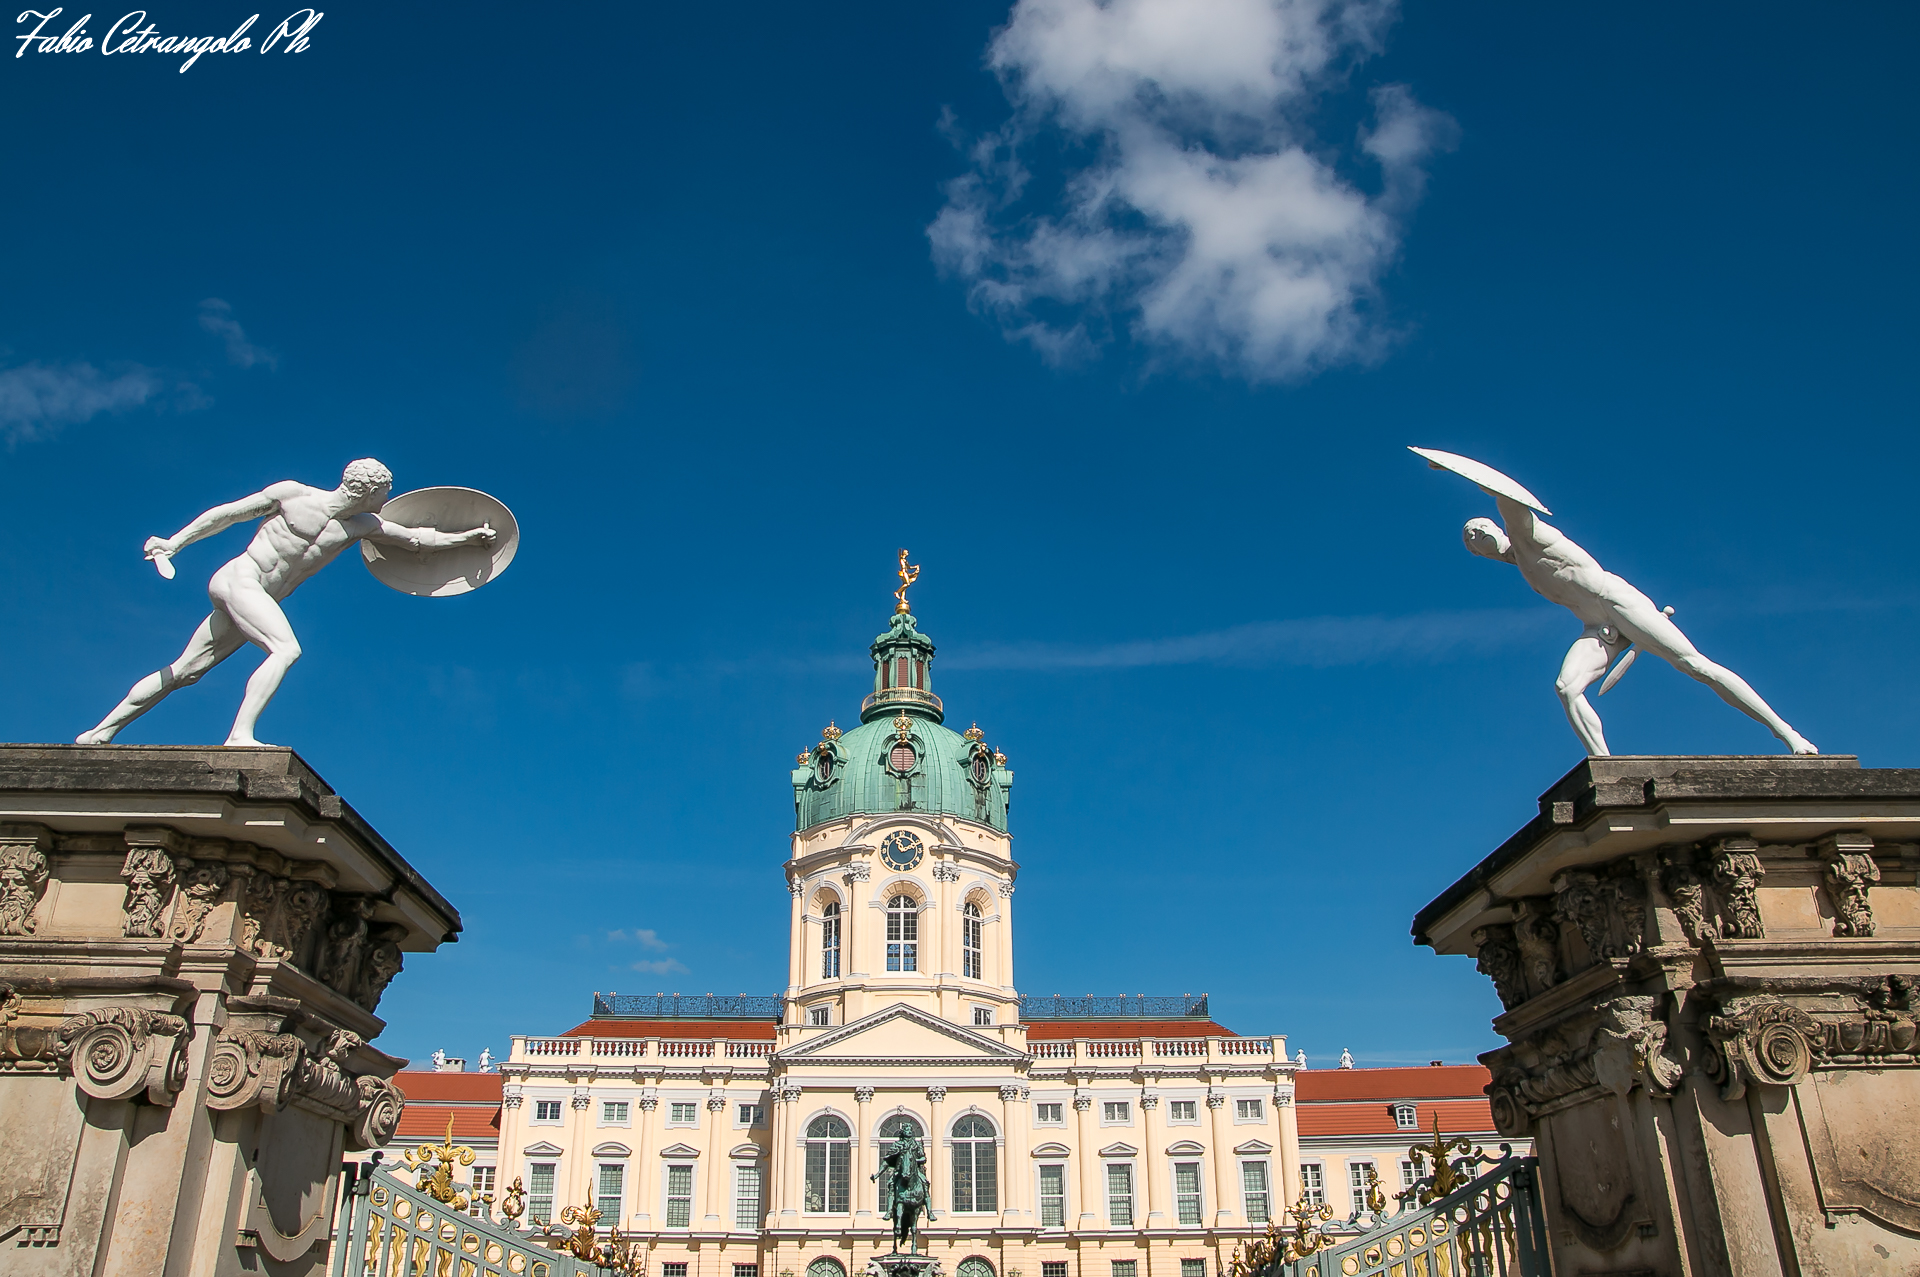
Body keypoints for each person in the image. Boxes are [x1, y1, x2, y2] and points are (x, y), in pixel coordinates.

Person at [77, 459, 495, 748]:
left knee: (186, 671)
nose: (388, 497)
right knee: (286, 649)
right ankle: (240, 735)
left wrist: (469, 538)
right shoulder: (294, 494)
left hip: (256, 598)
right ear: (368, 489)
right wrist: (176, 542)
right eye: (385, 490)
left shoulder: (362, 525)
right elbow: (226, 515)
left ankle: (99, 732)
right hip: (239, 579)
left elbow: (418, 539)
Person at [1462, 488, 1814, 757]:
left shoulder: (1529, 535)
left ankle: (1787, 733)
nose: (1476, 535)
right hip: (1596, 627)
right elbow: (1514, 552)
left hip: (1616, 601)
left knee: (1695, 665)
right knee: (1566, 688)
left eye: (1479, 528)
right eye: (1471, 539)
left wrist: (1468, 476)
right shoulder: (1519, 561)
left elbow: (1511, 499)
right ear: (1478, 555)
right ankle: (1604, 765)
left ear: (1495, 527)